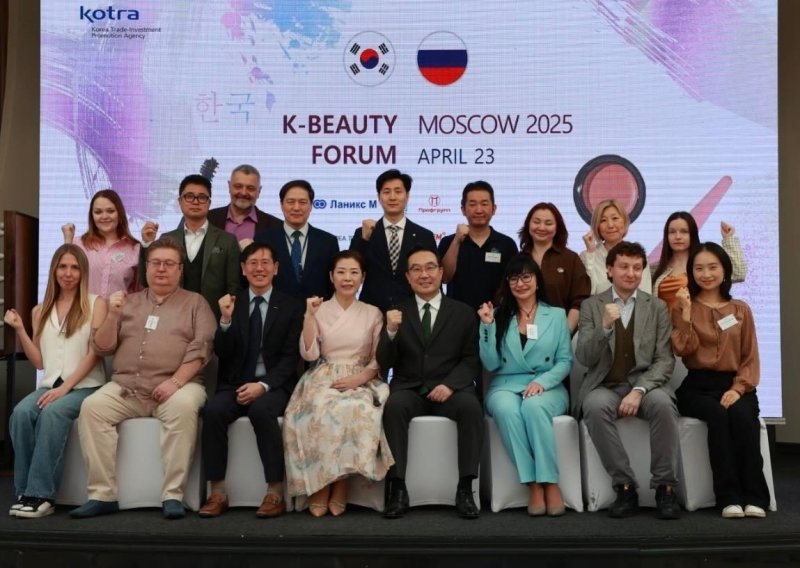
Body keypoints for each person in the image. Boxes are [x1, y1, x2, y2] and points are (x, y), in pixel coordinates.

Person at [70, 238, 216, 520]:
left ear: (180, 269)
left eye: (169, 264)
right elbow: (102, 347)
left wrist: (175, 382)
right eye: (155, 263)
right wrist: (113, 315)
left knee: (183, 407)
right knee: (92, 408)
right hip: (127, 387)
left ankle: (172, 495)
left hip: (179, 386)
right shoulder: (128, 302)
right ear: (146, 267)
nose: (161, 269)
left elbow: (203, 348)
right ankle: (103, 495)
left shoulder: (196, 303)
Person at [283, 250, 394, 517]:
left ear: (362, 277)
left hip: (362, 376)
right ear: (331, 277)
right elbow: (309, 354)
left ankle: (341, 483)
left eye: (354, 272)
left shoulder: (373, 313)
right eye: (341, 272)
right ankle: (321, 484)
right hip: (324, 374)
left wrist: (360, 378)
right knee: (319, 408)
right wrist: (309, 317)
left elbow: (378, 357)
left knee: (356, 409)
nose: (347, 278)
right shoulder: (319, 309)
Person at [575, 241, 681, 520]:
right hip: (606, 385)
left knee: (663, 405)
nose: (631, 273)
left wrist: (639, 390)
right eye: (623, 266)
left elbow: (665, 360)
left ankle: (665, 487)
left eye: (636, 268)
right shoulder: (591, 306)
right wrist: (604, 327)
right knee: (594, 406)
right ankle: (624, 486)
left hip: (646, 386)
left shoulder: (656, 307)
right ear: (609, 270)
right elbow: (584, 357)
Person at [377, 246, 483, 520]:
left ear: (441, 272)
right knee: (394, 407)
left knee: (471, 408)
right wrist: (390, 331)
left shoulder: (463, 312)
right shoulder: (396, 312)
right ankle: (398, 489)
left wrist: (450, 385)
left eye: (430, 268)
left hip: (451, 390)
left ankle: (465, 489)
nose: (424, 275)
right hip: (410, 389)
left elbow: (471, 359)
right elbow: (384, 362)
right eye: (416, 269)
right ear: (408, 277)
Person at [199, 242, 303, 518]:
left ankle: (274, 492)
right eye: (253, 263)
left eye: (265, 262)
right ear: (243, 269)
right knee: (213, 412)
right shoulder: (231, 303)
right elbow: (222, 352)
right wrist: (225, 320)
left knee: (261, 411)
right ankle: (217, 492)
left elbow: (290, 359)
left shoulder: (291, 306)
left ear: (276, 268)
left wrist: (263, 386)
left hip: (274, 385)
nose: (259, 268)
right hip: (235, 383)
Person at [5, 245, 107, 518]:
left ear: (83, 272)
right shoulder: (40, 311)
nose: (68, 273)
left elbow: (95, 353)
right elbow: (39, 362)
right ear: (54, 271)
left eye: (74, 267)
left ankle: (42, 495)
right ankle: (25, 491)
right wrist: (20, 330)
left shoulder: (96, 304)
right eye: (63, 267)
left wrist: (65, 388)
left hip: (85, 386)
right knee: (21, 414)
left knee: (53, 413)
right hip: (51, 385)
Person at [670, 242, 769, 519]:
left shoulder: (740, 309)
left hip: (736, 384)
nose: (706, 274)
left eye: (713, 267)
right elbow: (683, 349)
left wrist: (738, 389)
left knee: (742, 418)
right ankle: (728, 498)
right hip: (697, 387)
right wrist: (686, 314)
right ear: (691, 272)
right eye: (699, 268)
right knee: (717, 416)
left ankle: (755, 497)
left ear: (725, 270)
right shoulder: (684, 306)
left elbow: (750, 356)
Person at [478, 254, 572, 517]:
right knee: (506, 410)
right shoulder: (498, 315)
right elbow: (490, 363)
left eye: (526, 277)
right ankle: (533, 484)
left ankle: (550, 482)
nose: (520, 283)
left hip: (548, 385)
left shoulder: (556, 315)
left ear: (537, 281)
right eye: (514, 278)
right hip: (506, 384)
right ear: (507, 284)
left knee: (533, 407)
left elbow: (565, 361)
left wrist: (542, 382)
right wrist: (487, 326)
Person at [139, 174, 240, 319]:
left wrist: (226, 321)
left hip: (213, 318)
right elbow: (147, 281)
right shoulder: (167, 239)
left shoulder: (227, 241)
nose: (195, 202)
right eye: (189, 196)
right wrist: (147, 244)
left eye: (202, 197)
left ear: (209, 203)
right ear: (180, 201)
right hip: (171, 317)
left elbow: (233, 288)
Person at [350, 169, 436, 312]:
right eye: (386, 192)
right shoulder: (364, 233)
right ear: (379, 197)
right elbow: (351, 269)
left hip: (412, 312)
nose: (392, 197)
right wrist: (364, 240)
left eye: (398, 191)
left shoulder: (424, 235)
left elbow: (434, 278)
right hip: (371, 311)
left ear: (407, 196)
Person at [438, 181, 517, 310]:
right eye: (472, 204)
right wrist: (457, 241)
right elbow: (444, 278)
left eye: (484, 204)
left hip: (497, 316)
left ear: (494, 209)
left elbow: (514, 283)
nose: (479, 210)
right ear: (463, 210)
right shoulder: (448, 242)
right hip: (456, 316)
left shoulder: (507, 244)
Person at [255, 179, 339, 300]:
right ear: (281, 205)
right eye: (290, 202)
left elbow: (333, 285)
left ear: (311, 206)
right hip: (276, 309)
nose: (296, 208)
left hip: (318, 309)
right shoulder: (263, 239)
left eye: (302, 202)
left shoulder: (328, 242)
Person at [519, 202, 591, 334]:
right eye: (536, 222)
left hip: (560, 333)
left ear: (558, 227)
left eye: (548, 223)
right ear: (528, 224)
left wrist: (565, 332)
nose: (542, 227)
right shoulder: (518, 259)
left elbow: (580, 300)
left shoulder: (570, 259)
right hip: (523, 333)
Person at [652, 212, 747, 310]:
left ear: (693, 234)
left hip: (697, 319)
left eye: (684, 231)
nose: (678, 237)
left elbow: (738, 274)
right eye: (672, 232)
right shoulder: (655, 269)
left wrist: (728, 239)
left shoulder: (702, 264)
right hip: (662, 320)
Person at [62, 189, 141, 298]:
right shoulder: (77, 244)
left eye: (110, 211)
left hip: (122, 309)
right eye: (98, 212)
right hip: (85, 309)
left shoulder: (135, 248)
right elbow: (65, 279)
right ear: (92, 216)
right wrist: (67, 241)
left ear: (119, 213)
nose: (104, 216)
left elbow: (139, 292)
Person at [580, 199, 652, 295]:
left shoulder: (638, 255)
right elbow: (589, 292)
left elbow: (646, 296)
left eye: (615, 218)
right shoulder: (587, 256)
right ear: (597, 226)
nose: (610, 225)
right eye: (603, 220)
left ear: (624, 221)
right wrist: (591, 253)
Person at [207, 164, 281, 249]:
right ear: (229, 186)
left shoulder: (276, 227)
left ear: (259, 191)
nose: (243, 193)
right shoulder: (208, 219)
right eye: (238, 186)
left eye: (250, 188)